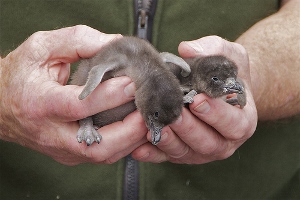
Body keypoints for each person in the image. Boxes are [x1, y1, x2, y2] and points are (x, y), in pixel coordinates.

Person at [0, 0, 299, 199]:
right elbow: (93, 75)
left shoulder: (172, 76)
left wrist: (259, 73)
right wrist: (4, 96)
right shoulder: (131, 67)